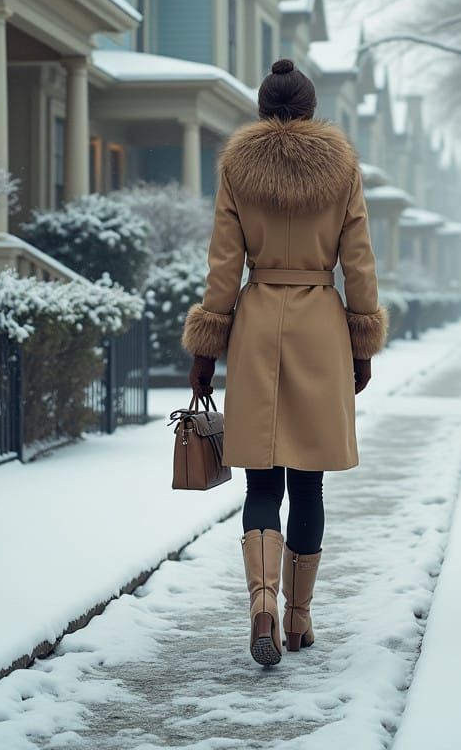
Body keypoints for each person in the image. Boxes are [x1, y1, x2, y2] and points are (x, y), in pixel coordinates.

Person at [181, 58, 387, 667]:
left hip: (257, 321)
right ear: (312, 109)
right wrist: (362, 338)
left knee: (262, 478)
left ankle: (260, 604)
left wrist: (204, 348)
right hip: (322, 325)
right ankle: (297, 619)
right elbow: (359, 259)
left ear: (263, 109)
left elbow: (224, 263)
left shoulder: (236, 169)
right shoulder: (342, 168)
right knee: (309, 480)